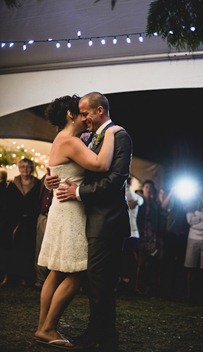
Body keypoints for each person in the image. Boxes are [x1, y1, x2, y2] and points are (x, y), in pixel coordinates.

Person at [37, 92, 132, 352]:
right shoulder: (74, 140)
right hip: (70, 210)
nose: (85, 117)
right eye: (81, 112)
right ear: (72, 115)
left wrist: (51, 179)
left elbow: (57, 168)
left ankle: (44, 326)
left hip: (75, 209)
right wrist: (110, 133)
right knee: (77, 273)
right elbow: (101, 165)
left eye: (87, 111)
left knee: (58, 271)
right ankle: (47, 328)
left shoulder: (70, 139)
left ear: (98, 110)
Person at [0, 158, 41, 288]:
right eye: (23, 166)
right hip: (13, 222)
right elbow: (7, 204)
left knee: (28, 250)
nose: (25, 169)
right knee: (12, 250)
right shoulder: (12, 184)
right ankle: (10, 277)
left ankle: (26, 278)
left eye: (28, 166)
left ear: (32, 168)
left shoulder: (38, 184)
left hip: (30, 222)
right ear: (19, 168)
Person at [160, 186, 189, 300]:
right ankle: (165, 291)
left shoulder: (186, 201)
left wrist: (185, 197)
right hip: (170, 235)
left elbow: (188, 208)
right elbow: (164, 206)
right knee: (168, 262)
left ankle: (177, 292)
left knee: (179, 264)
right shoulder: (172, 200)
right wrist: (172, 192)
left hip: (181, 235)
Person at [136, 179, 163, 296]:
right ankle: (137, 286)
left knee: (150, 262)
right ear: (143, 188)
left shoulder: (155, 205)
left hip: (151, 234)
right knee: (139, 261)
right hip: (140, 233)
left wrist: (158, 236)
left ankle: (148, 287)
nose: (148, 189)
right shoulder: (139, 202)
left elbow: (158, 221)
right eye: (146, 187)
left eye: (150, 187)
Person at [118, 176, 144, 296]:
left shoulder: (133, 195)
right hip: (125, 231)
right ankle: (125, 285)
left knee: (128, 260)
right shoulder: (127, 194)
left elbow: (137, 200)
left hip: (131, 232)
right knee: (125, 259)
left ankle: (128, 286)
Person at [34, 174, 53, 291]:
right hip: (43, 216)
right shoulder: (43, 178)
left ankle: (52, 280)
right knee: (40, 248)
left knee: (54, 249)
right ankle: (39, 280)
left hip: (56, 217)